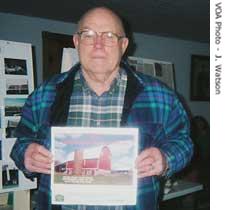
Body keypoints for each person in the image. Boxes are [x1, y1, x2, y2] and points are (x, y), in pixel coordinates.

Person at [10, 6, 193, 210]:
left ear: (123, 45)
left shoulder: (160, 96)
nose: (98, 44)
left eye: (108, 36)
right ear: (77, 42)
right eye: (88, 35)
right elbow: (20, 142)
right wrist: (26, 154)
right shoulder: (44, 94)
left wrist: (166, 159)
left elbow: (184, 143)